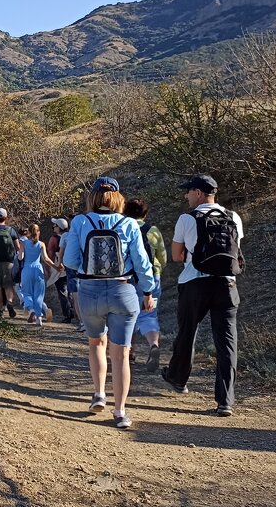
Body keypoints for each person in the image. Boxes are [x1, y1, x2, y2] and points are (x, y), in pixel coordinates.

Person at [63, 176, 154, 429]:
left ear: (93, 196)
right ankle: (120, 411)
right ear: (117, 197)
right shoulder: (129, 223)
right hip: (122, 291)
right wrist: (148, 291)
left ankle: (98, 394)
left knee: (96, 343)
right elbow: (142, 262)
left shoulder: (80, 222)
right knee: (121, 353)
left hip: (89, 292)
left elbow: (70, 261)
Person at [161, 174, 244, 417]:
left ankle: (178, 378)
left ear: (198, 193)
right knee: (227, 342)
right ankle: (225, 400)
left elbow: (176, 256)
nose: (186, 196)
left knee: (187, 332)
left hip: (194, 283)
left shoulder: (187, 218)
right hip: (227, 284)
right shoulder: (234, 217)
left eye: (188, 191)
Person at [124, 198, 167, 371]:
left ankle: (130, 353)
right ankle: (153, 345)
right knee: (149, 315)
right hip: (151, 278)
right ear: (145, 214)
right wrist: (157, 271)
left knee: (128, 316)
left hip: (128, 279)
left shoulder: (123, 228)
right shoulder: (153, 231)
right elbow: (162, 257)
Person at [19, 224, 51, 326]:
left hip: (27, 269)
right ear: (39, 232)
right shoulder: (41, 244)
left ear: (28, 232)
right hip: (38, 269)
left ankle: (31, 308)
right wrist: (55, 266)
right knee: (39, 294)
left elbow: (20, 257)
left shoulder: (24, 243)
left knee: (26, 292)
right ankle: (39, 318)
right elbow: (45, 259)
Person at [47, 218, 75, 323]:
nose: (53, 227)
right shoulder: (71, 236)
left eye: (55, 226)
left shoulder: (54, 239)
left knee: (62, 291)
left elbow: (50, 254)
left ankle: (67, 314)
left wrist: (50, 267)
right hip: (70, 266)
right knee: (70, 291)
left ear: (59, 227)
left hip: (59, 267)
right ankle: (72, 311)